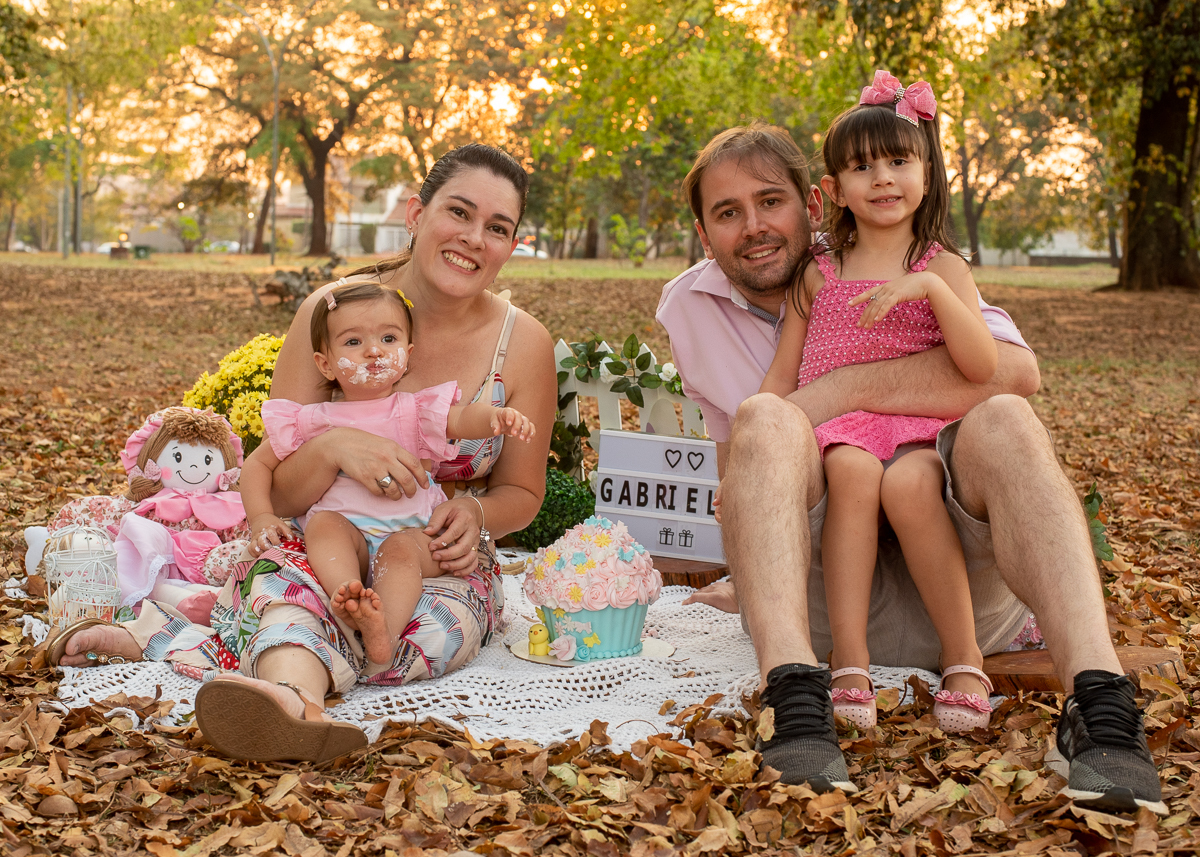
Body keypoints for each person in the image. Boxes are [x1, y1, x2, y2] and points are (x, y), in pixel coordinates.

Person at [658, 107, 1165, 813]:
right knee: (763, 417)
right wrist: (741, 562)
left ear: (811, 204)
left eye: (769, 201)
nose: (753, 226)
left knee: (1007, 421)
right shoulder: (692, 307)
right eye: (728, 212)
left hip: (957, 591)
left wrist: (839, 389)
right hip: (820, 615)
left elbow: (1015, 371)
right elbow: (743, 451)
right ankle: (795, 701)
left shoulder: (926, 265)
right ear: (704, 230)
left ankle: (1103, 706)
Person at [46, 143, 557, 764]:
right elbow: (278, 487)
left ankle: (170, 640)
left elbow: (523, 496)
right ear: (417, 214)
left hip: (431, 562)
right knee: (290, 590)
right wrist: (338, 446)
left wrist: (477, 515)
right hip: (320, 539)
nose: (475, 238)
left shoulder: (524, 344)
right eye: (460, 212)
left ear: (511, 244)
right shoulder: (333, 313)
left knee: (422, 634)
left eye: (497, 228)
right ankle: (292, 706)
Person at [757, 74, 997, 734]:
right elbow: (784, 374)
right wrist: (757, 440)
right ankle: (851, 662)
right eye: (862, 167)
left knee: (913, 485)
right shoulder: (821, 272)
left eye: (899, 161)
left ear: (926, 171)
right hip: (842, 431)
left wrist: (930, 290)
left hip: (921, 429)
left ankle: (964, 655)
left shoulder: (941, 265)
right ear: (834, 190)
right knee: (855, 471)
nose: (883, 178)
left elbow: (982, 365)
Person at [241, 280, 535, 667]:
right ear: (325, 363)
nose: (374, 350)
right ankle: (346, 597)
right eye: (352, 342)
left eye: (388, 338)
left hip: (411, 534)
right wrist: (261, 515)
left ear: (407, 354)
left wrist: (495, 418)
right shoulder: (313, 420)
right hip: (349, 539)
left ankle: (384, 632)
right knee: (324, 525)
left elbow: (462, 418)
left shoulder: (415, 411)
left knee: (399, 555)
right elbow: (257, 465)